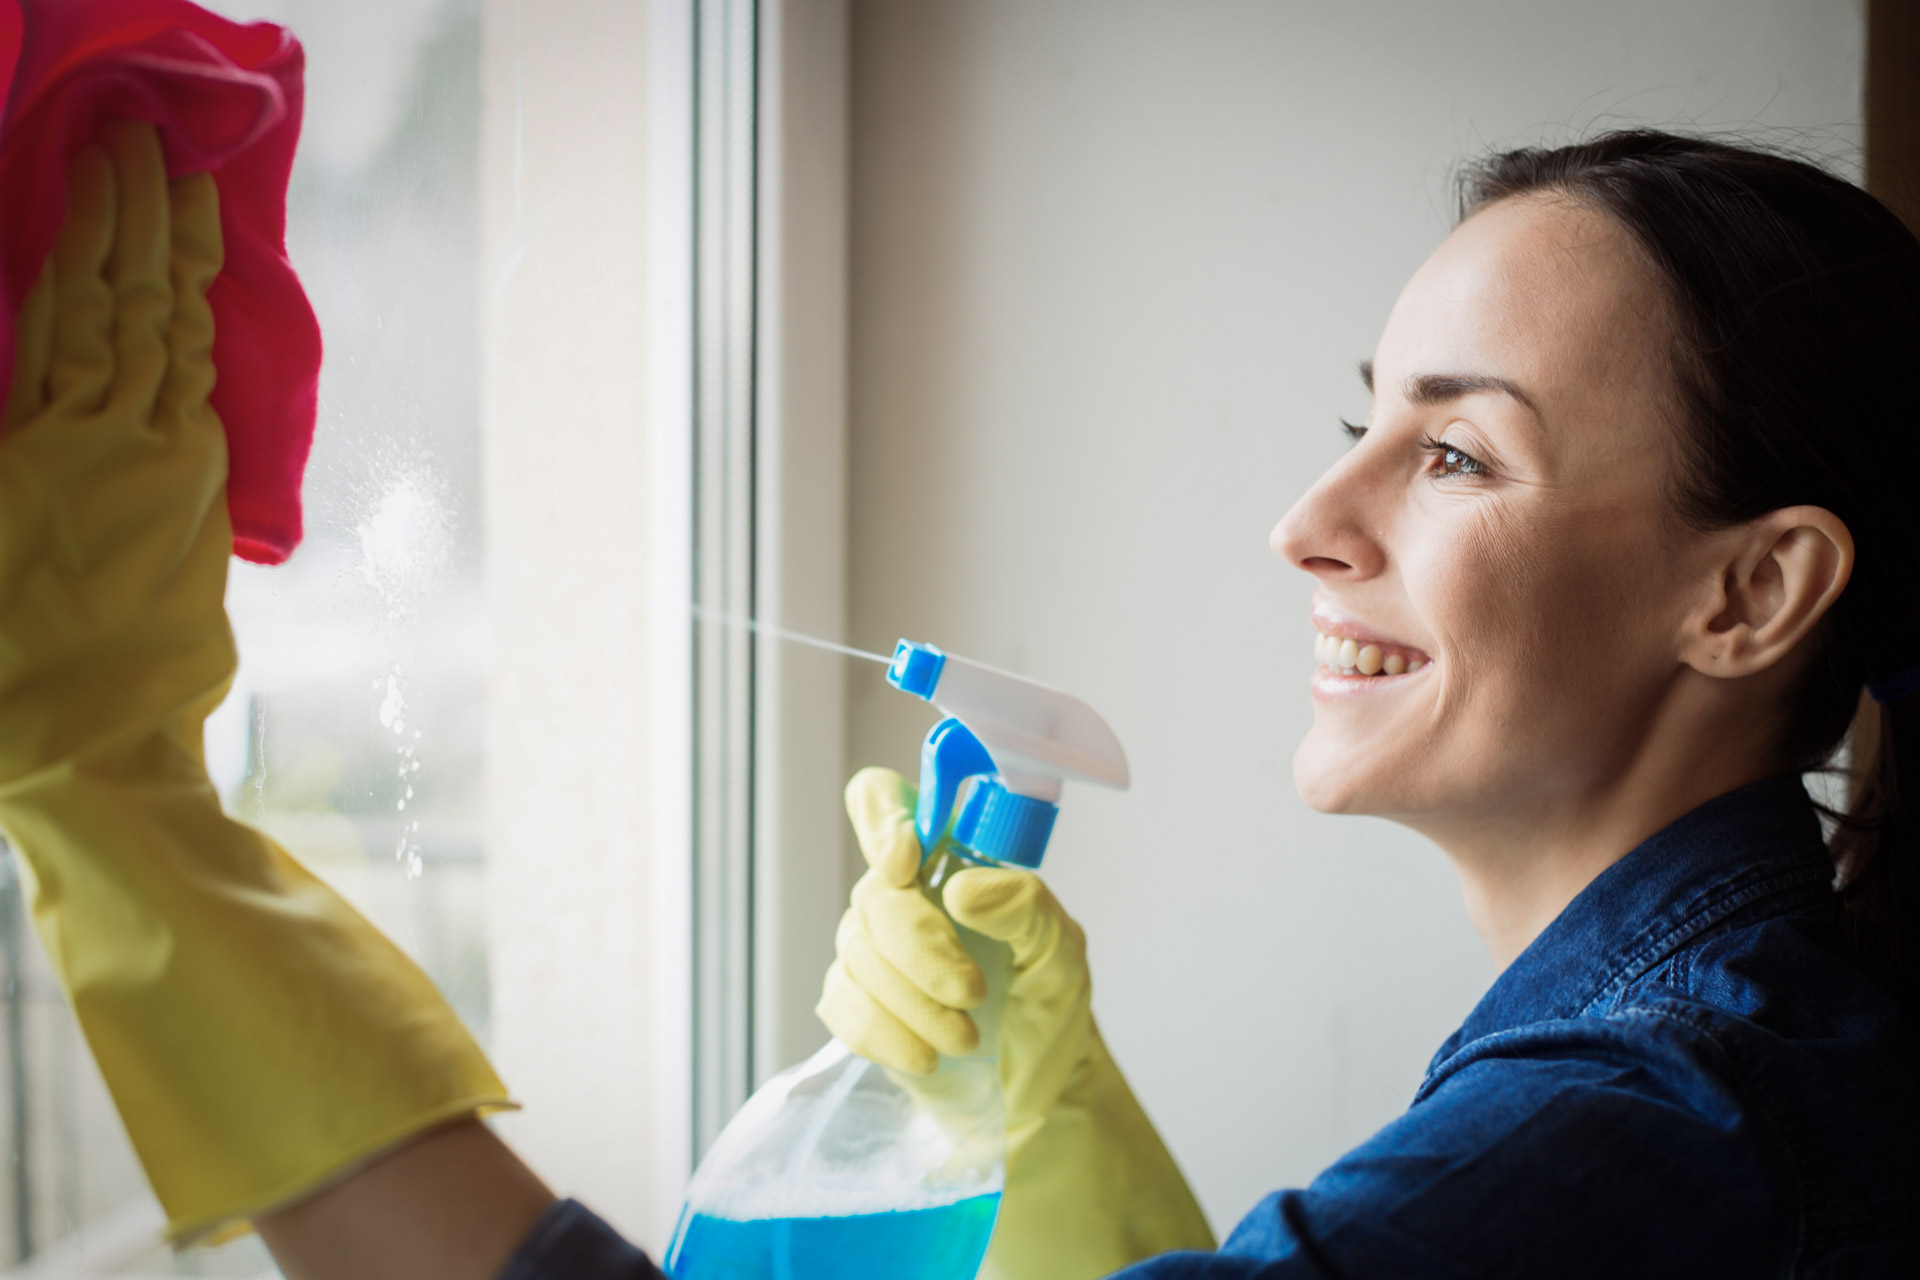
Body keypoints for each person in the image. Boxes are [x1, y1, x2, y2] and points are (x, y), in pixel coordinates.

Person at [2, 121, 1916, 1279]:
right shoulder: (1729, 1052)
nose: (1306, 523)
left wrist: (127, 813)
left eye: (1456, 458)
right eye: (1363, 426)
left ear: (1750, 592)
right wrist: (1050, 1106)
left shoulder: (1673, 1123)